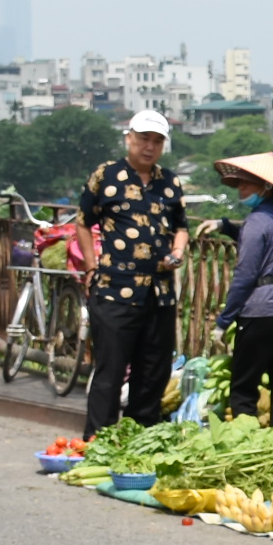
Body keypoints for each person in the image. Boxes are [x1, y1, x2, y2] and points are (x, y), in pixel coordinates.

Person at [78, 109, 190, 436]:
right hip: (116, 289)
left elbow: (181, 227)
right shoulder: (106, 175)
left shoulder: (170, 183)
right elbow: (84, 222)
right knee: (110, 372)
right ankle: (98, 440)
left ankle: (140, 440)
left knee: (153, 373)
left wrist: (178, 250)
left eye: (157, 141)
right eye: (143, 139)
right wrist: (89, 265)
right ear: (129, 138)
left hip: (160, 293)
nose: (149, 147)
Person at [210, 150, 273, 425]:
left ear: (266, 186)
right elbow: (259, 238)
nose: (240, 189)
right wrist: (225, 226)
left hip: (263, 312)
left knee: (243, 387)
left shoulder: (256, 221)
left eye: (246, 183)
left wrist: (224, 320)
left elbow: (245, 275)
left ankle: (246, 442)